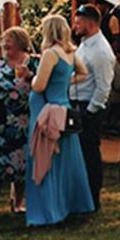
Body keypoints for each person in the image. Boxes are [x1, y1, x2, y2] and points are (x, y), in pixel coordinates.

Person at [26, 15, 94, 226]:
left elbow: (39, 86)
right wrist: (65, 79)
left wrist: (30, 76)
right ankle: (70, 204)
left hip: (46, 111)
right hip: (63, 108)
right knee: (65, 160)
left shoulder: (50, 54)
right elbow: (83, 72)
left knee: (45, 158)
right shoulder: (70, 53)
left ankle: (48, 209)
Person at [0, 26, 38, 215]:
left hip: (24, 121)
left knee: (22, 163)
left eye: (9, 40)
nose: (5, 44)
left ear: (20, 43)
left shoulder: (33, 63)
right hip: (1, 123)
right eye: (4, 40)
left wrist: (29, 77)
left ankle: (18, 203)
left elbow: (40, 87)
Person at [70, 4, 115, 210]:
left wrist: (90, 112)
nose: (75, 26)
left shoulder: (101, 51)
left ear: (89, 23)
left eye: (78, 22)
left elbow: (103, 86)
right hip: (78, 103)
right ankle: (81, 196)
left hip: (88, 106)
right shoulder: (84, 44)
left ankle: (93, 197)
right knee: (80, 153)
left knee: (90, 154)